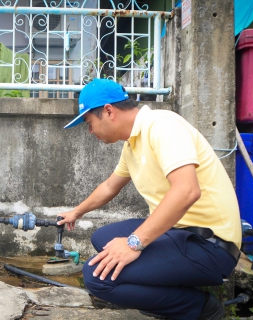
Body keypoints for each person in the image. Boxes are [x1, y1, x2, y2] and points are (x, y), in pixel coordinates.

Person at [58, 79, 241, 320]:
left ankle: (199, 307)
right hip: (181, 232)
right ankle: (167, 292)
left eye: (90, 123)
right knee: (103, 238)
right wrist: (76, 212)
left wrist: (134, 243)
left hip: (211, 245)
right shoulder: (132, 144)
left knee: (96, 278)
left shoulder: (163, 126)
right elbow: (110, 186)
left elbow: (187, 190)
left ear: (109, 111)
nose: (91, 132)